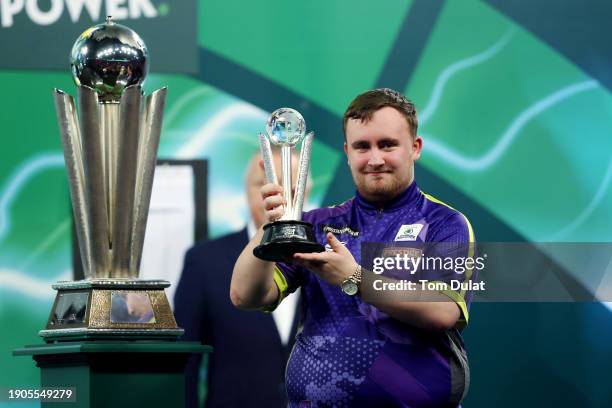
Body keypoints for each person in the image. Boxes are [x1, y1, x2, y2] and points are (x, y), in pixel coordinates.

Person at [231, 88, 475, 407]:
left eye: (387, 145)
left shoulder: (445, 223)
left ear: (414, 148)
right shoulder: (316, 224)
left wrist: (355, 278)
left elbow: (442, 311)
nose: (375, 159)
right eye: (362, 146)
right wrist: (270, 224)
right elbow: (246, 296)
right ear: (347, 152)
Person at [174, 152, 302, 408]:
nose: (276, 196)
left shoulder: (327, 257)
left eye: (289, 187)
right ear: (247, 190)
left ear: (304, 192)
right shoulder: (204, 261)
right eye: (264, 185)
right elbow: (184, 360)